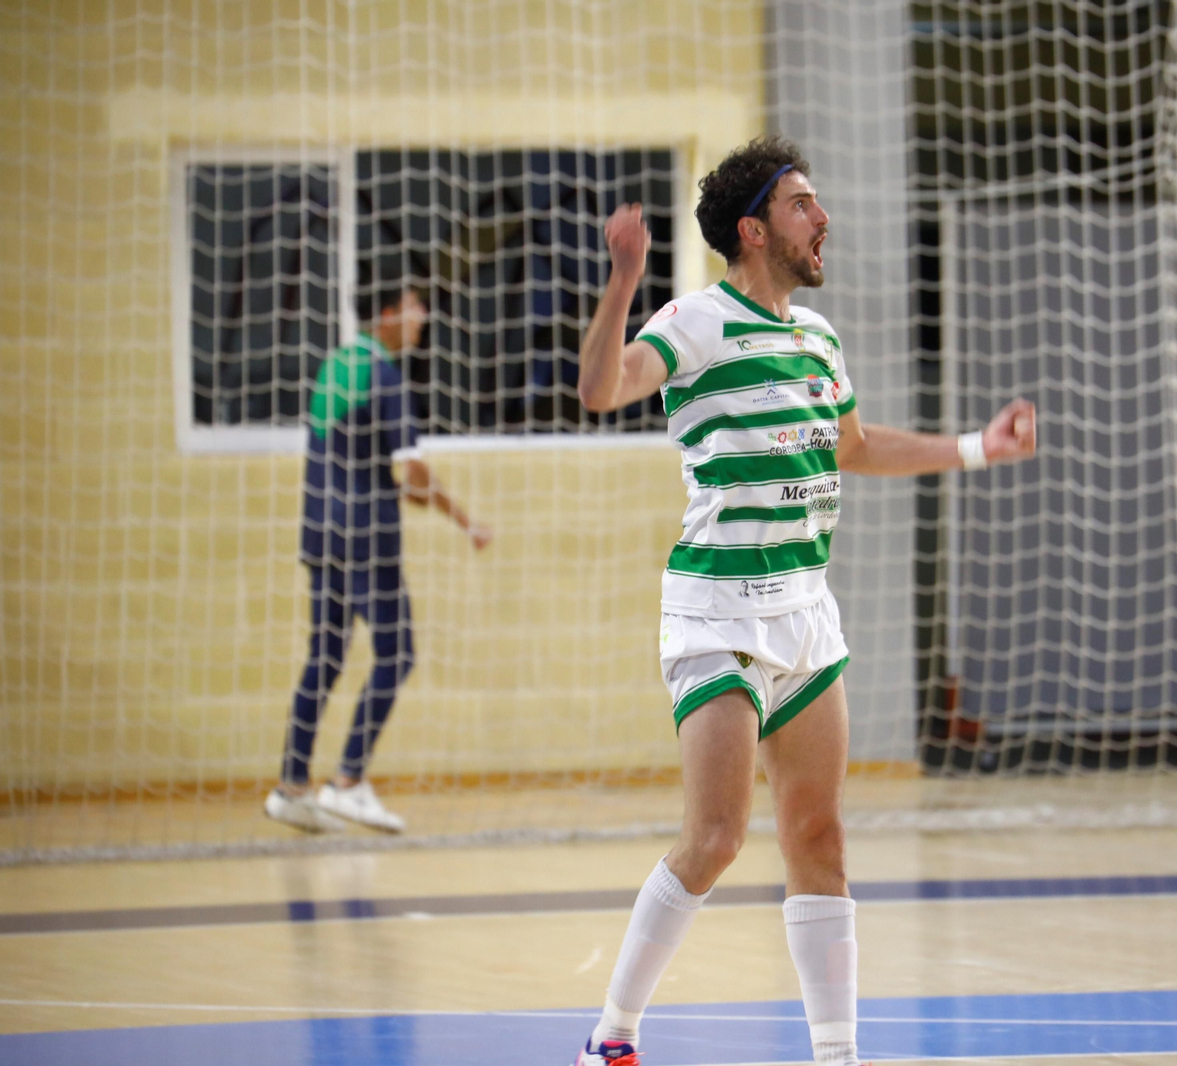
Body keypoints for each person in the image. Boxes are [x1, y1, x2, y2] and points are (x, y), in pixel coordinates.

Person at [571, 137, 1035, 1066]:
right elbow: (601, 388)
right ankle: (611, 1038)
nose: (823, 219)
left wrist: (977, 448)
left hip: (803, 613)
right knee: (716, 837)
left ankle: (837, 1055)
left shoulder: (818, 338)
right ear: (754, 230)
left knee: (819, 837)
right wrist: (623, 279)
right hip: (716, 614)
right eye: (802, 205)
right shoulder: (695, 322)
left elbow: (852, 448)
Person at [265, 268, 493, 835]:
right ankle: (347, 782)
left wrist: (401, 489)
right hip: (368, 535)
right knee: (397, 654)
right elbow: (412, 472)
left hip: (321, 530)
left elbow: (354, 456)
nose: (423, 317)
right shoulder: (385, 376)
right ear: (388, 313)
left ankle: (292, 786)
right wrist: (465, 520)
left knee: (326, 656)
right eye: (415, 305)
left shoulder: (335, 366)